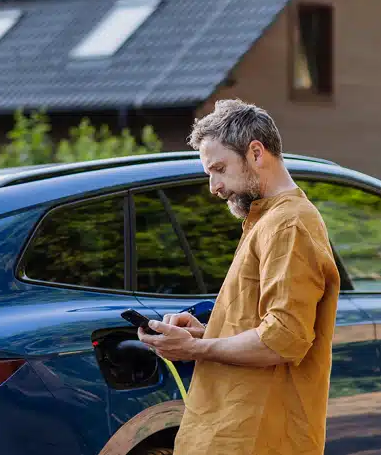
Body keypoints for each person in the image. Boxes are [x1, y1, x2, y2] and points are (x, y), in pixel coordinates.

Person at [138, 99, 340, 455]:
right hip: (232, 428)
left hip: (257, 436)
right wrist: (205, 331)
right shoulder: (266, 219)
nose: (214, 186)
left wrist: (196, 348)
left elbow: (284, 338)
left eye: (219, 168)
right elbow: (263, 324)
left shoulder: (288, 223)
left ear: (256, 152)